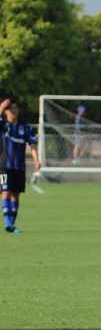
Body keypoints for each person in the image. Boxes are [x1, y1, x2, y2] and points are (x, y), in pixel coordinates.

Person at [0, 98, 40, 233]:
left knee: (16, 195)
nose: (15, 111)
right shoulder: (3, 125)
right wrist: (1, 106)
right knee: (6, 192)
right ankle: (8, 223)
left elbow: (32, 144)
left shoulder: (25, 127)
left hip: (19, 166)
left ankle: (12, 224)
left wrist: (36, 159)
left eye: (16, 108)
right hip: (4, 166)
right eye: (11, 109)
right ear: (6, 112)